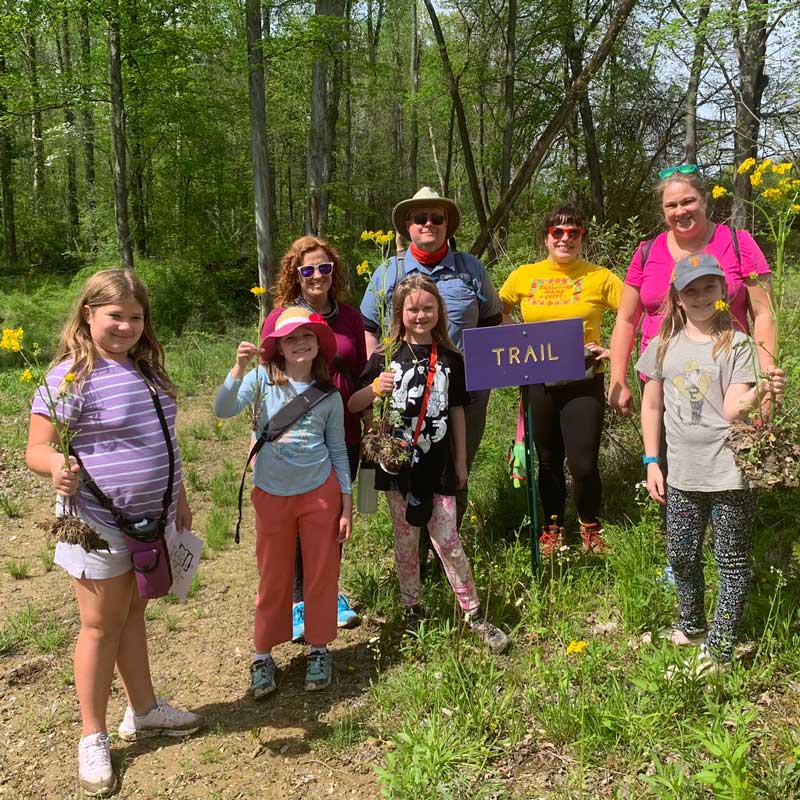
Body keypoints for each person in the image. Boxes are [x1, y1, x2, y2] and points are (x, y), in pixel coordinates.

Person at [25, 269, 202, 797]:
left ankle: (144, 708)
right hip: (98, 523)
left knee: (133, 613)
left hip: (151, 521)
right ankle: (93, 734)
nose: (126, 326)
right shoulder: (69, 376)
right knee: (99, 624)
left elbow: (164, 439)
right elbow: (36, 448)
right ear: (88, 315)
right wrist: (55, 464)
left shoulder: (146, 371)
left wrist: (181, 498)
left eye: (135, 316)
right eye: (115, 316)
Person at [637, 254, 785, 670]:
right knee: (682, 555)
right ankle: (693, 624)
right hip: (681, 473)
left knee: (732, 562)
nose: (700, 296)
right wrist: (652, 460)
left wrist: (763, 390)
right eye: (691, 289)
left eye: (708, 287)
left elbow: (734, 410)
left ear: (724, 291)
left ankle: (719, 649)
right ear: (677, 297)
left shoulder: (738, 344)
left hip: (729, 474)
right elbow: (651, 406)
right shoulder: (662, 344)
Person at [350, 275, 510, 653]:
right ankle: (412, 608)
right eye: (412, 309)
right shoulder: (386, 357)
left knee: (449, 541)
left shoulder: (451, 360)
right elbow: (354, 404)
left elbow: (457, 413)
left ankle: (473, 613)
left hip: (437, 468)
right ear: (399, 313)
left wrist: (460, 463)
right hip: (395, 471)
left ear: (438, 311)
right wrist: (376, 388)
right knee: (406, 541)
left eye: (427, 308)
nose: (419, 315)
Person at [215, 307, 352, 698]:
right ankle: (262, 656)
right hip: (272, 495)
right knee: (272, 577)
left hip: (320, 495)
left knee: (321, 575)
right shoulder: (261, 380)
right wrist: (238, 369)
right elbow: (224, 409)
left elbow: (338, 450)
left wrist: (346, 505)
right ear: (276, 346)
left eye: (307, 336)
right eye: (290, 338)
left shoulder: (329, 396)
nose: (300, 343)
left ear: (318, 344)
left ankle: (319, 648)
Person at [360, 187, 504, 530]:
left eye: (436, 218)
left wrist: (485, 377)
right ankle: (415, 550)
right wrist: (377, 382)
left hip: (461, 397)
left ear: (447, 226)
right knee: (407, 468)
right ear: (408, 226)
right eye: (420, 218)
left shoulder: (471, 270)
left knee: (457, 467)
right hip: (404, 396)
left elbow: (493, 322)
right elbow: (369, 327)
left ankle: (447, 541)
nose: (429, 224)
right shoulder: (386, 273)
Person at [608, 164, 776, 421]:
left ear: (704, 200)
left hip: (730, 381)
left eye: (688, 201)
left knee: (729, 457)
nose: (680, 211)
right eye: (671, 205)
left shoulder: (738, 242)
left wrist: (766, 383)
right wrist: (617, 379)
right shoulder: (646, 252)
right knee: (665, 458)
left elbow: (764, 314)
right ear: (663, 210)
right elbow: (626, 320)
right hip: (661, 380)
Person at [499, 203, 622, 553]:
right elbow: (498, 311)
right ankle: (552, 528)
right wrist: (511, 342)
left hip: (584, 379)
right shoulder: (524, 275)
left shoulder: (600, 277)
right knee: (548, 461)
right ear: (546, 238)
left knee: (583, 463)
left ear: (582, 238)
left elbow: (634, 311)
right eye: (558, 232)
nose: (565, 238)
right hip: (537, 380)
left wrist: (615, 350)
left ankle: (590, 527)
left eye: (573, 233)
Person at [262, 236, 364, 641]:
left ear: (334, 271)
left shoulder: (350, 318)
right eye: (308, 270)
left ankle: (328, 594)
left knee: (332, 520)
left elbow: (358, 371)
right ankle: (299, 601)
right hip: (297, 437)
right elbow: (266, 376)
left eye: (324, 268)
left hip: (344, 432)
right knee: (300, 518)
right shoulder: (280, 319)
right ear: (295, 275)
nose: (318, 276)